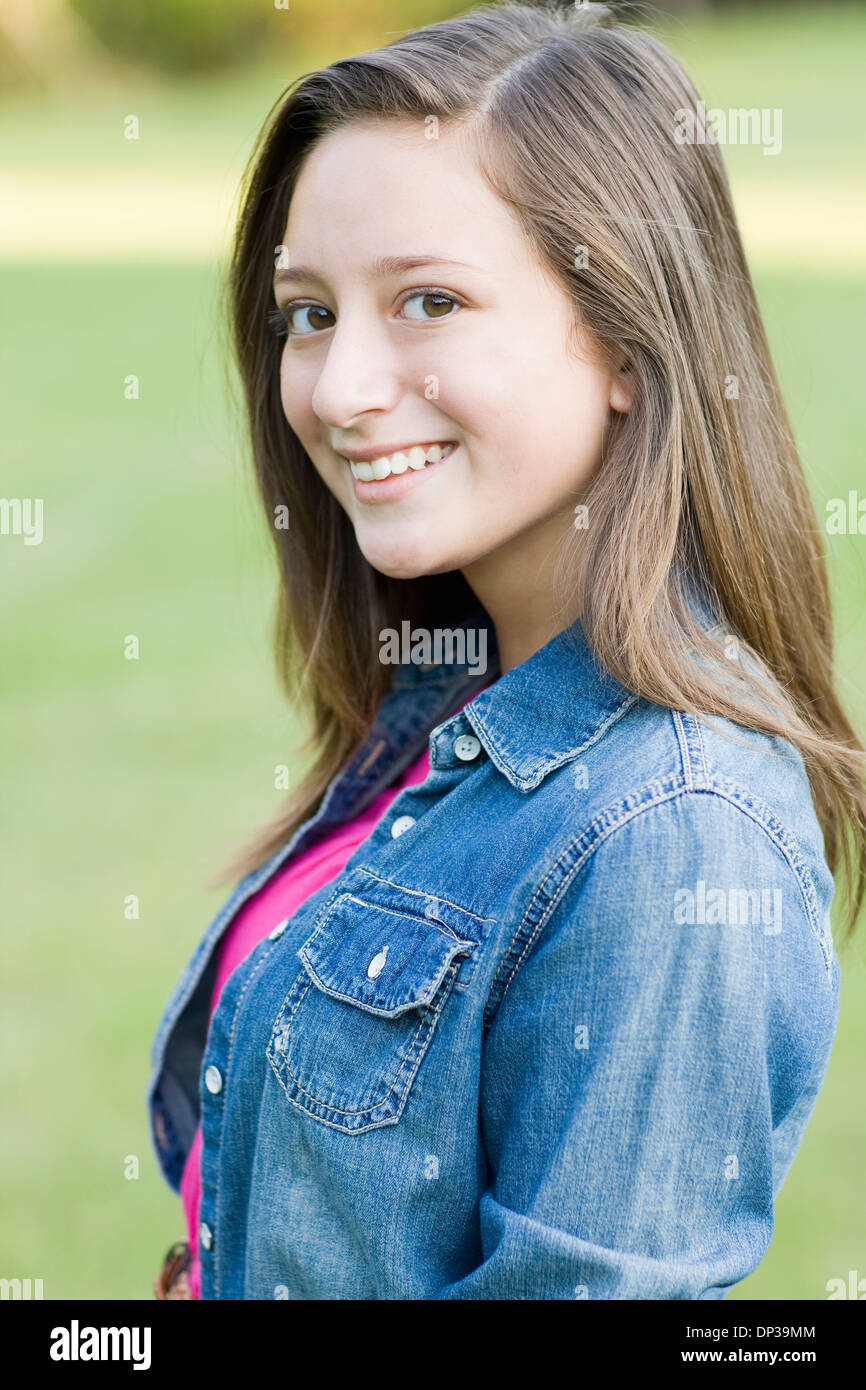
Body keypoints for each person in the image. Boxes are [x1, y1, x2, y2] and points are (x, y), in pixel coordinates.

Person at [147, 0, 866, 1299]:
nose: (340, 386)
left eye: (428, 300)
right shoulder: (453, 687)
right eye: (307, 312)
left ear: (627, 343)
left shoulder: (676, 829)